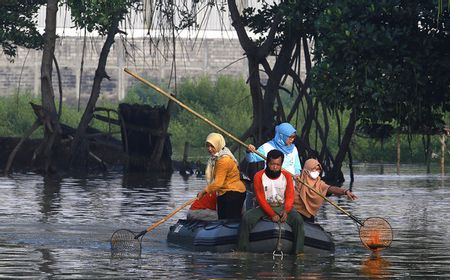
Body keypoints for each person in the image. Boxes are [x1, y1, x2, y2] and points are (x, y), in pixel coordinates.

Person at [238, 149, 305, 254]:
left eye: (278, 164)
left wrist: (286, 210)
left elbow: (290, 196)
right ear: (267, 163)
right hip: (264, 207)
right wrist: (271, 214)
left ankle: (299, 252)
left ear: (281, 164)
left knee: (298, 220)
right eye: (272, 164)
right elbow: (260, 198)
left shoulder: (287, 176)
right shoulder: (259, 176)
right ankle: (242, 250)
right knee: (246, 219)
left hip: (282, 206)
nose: (275, 167)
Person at [197, 133, 246, 220]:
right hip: (224, 193)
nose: (209, 149)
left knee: (229, 222)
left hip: (233, 193)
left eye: (212, 146)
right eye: (207, 146)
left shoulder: (224, 160)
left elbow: (218, 183)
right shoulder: (216, 158)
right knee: (222, 221)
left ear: (218, 145)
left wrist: (204, 192)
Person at [293, 158, 357, 222]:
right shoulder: (297, 180)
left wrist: (345, 191)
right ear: (307, 169)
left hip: (309, 216)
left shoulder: (319, 183)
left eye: (318, 169)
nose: (316, 171)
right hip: (294, 214)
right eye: (314, 169)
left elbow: (330, 188)